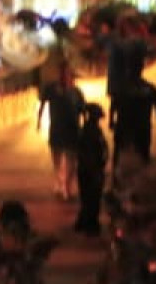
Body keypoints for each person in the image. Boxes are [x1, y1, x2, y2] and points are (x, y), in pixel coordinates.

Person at [36, 63, 85, 200]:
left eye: (66, 74)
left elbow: (83, 110)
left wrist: (85, 128)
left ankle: (66, 187)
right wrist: (39, 121)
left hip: (72, 131)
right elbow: (43, 104)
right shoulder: (51, 89)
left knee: (71, 161)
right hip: (57, 130)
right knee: (56, 159)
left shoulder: (76, 92)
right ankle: (60, 182)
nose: (64, 77)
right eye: (62, 74)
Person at [110, 75, 156, 174]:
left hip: (125, 129)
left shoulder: (121, 88)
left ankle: (116, 182)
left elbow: (113, 107)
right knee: (142, 160)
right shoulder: (150, 88)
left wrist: (111, 122)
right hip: (142, 130)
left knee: (120, 160)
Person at [74, 103, 109, 235]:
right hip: (90, 170)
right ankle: (90, 225)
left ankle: (84, 222)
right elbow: (89, 154)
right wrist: (95, 172)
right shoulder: (90, 131)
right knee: (92, 199)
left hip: (88, 170)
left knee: (88, 198)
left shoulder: (90, 129)